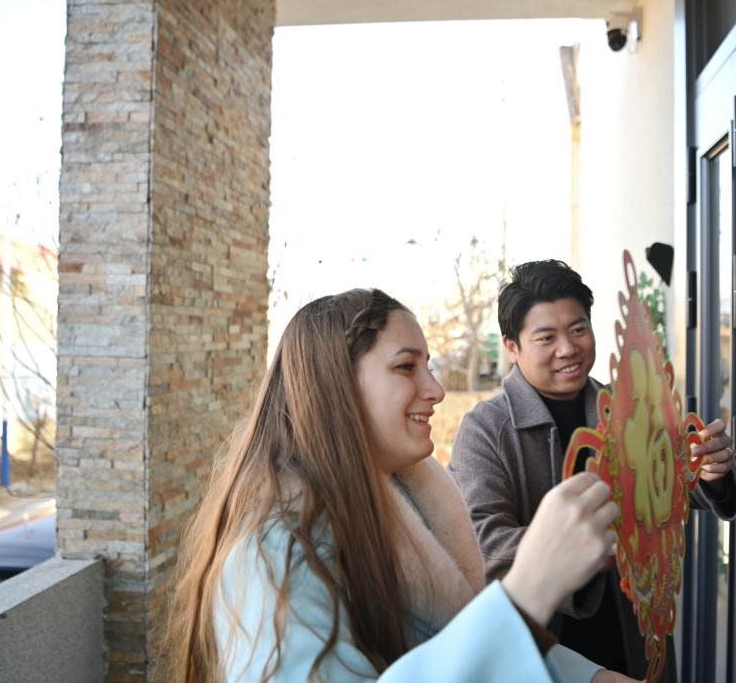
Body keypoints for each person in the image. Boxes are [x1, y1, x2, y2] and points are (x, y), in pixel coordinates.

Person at [163, 288, 639, 683]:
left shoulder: (409, 506)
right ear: (337, 385)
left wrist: (589, 678)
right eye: (406, 367)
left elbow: (444, 638)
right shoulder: (277, 553)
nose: (435, 389)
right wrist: (528, 590)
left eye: (428, 365)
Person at [448, 260, 736, 681]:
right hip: (549, 653)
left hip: (640, 640)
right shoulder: (485, 430)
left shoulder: (629, 406)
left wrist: (712, 473)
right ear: (512, 347)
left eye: (578, 329)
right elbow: (484, 545)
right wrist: (583, 547)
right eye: (546, 337)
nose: (567, 348)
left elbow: (672, 484)